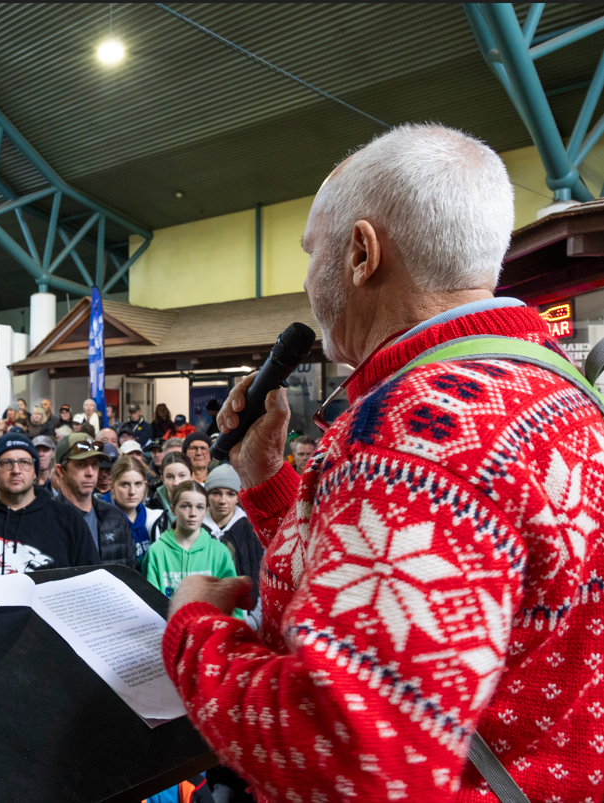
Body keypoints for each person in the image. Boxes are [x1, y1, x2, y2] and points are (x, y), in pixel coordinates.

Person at [162, 124, 604, 801]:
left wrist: (195, 631)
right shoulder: (551, 391)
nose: (308, 278)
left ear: (362, 253)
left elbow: (343, 751)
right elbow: (390, 589)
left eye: (312, 253)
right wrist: (266, 478)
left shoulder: (422, 425)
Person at [0, 433, 98, 582]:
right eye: (6, 463)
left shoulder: (68, 519)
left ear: (35, 472)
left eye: (25, 462)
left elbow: (90, 581)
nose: (16, 470)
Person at [52, 434, 138, 570]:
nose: (90, 472)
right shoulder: (47, 519)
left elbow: (133, 573)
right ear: (61, 470)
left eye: (95, 464)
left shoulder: (115, 517)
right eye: (81, 464)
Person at [142, 480, 236, 599]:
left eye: (200, 507)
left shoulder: (219, 552)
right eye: (185, 506)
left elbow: (231, 603)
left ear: (206, 511)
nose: (193, 513)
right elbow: (150, 604)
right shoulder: (157, 552)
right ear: (173, 510)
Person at [202, 464, 263, 628]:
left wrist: (255, 618)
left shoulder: (252, 531)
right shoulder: (194, 529)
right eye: (216, 493)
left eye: (230, 494)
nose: (223, 500)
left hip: (244, 617)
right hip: (202, 615)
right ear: (207, 495)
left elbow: (263, 575)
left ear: (238, 496)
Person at [108, 456, 161, 565]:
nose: (132, 491)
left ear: (145, 486)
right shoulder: (101, 521)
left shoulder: (156, 519)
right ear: (112, 486)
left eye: (138, 484)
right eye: (125, 484)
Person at [147, 453, 193, 543]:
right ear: (162, 479)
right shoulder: (152, 506)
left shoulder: (205, 505)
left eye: (182, 475)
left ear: (192, 477)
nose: (176, 482)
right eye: (169, 477)